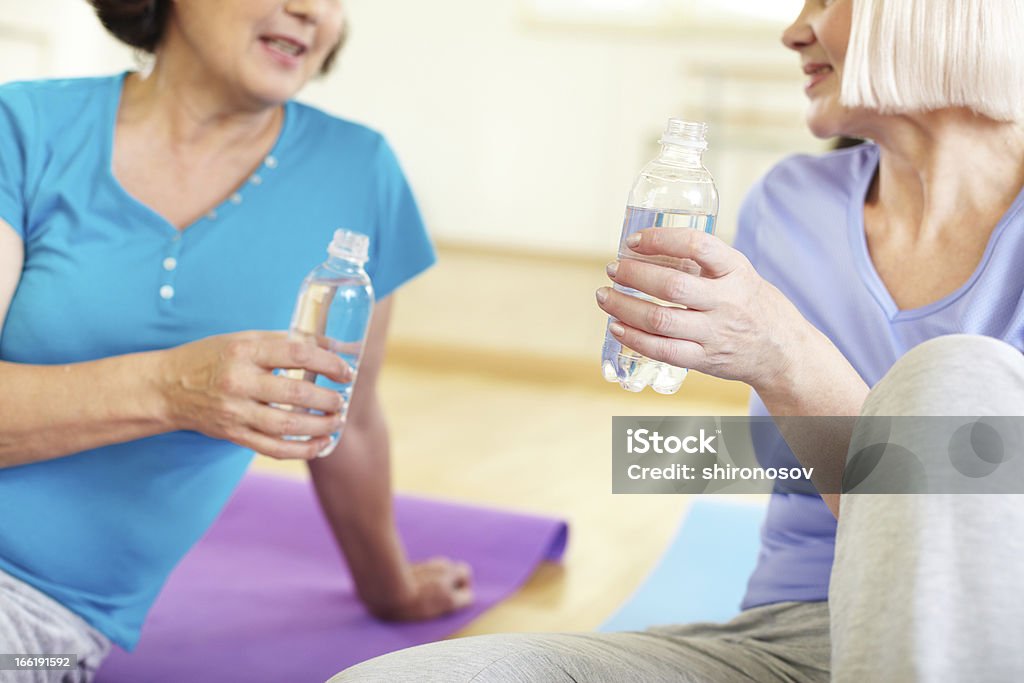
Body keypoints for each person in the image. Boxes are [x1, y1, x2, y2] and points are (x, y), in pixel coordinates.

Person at [333, 0, 1024, 680]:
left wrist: (787, 354)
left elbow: (965, 540)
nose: (792, 30)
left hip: (992, 638)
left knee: (956, 374)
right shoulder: (791, 204)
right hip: (787, 639)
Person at [0, 0, 472, 679]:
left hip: (33, 623)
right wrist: (172, 390)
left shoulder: (358, 171)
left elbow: (349, 415)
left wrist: (389, 586)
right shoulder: (23, 127)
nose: (311, 9)